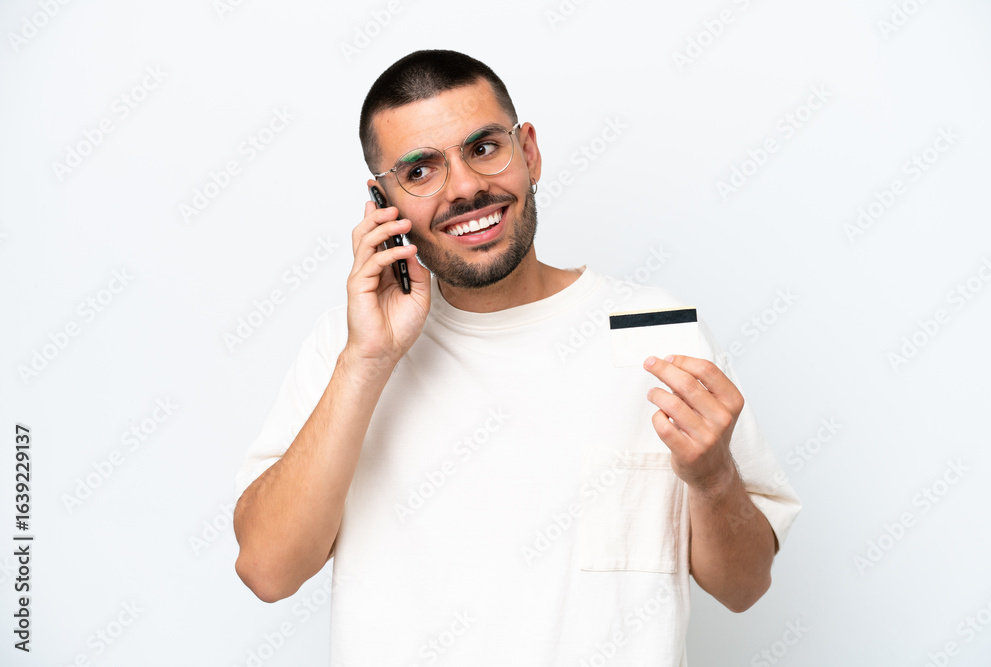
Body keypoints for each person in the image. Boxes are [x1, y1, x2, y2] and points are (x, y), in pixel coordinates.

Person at [233, 49, 800, 666]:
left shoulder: (656, 331)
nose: (465, 188)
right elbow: (268, 572)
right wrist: (368, 360)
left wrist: (713, 478)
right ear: (382, 201)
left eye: (483, 148)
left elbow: (744, 587)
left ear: (528, 151)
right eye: (420, 171)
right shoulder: (348, 347)